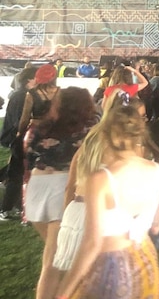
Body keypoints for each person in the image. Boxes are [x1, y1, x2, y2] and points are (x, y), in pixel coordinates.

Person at [54, 105, 159, 299]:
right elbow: (157, 225)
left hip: (110, 266)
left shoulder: (102, 179)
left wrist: (63, 292)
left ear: (107, 136)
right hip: (145, 259)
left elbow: (92, 242)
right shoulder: (156, 170)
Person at [25, 87, 99, 299]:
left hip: (37, 188)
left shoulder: (37, 128)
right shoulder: (90, 128)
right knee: (54, 261)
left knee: (59, 254)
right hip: (64, 186)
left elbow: (28, 157)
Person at [0, 66, 37, 220]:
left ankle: (14, 206)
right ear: (30, 79)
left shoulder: (22, 94)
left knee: (18, 171)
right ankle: (6, 208)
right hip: (19, 139)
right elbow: (18, 121)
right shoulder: (22, 96)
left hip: (19, 138)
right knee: (17, 173)